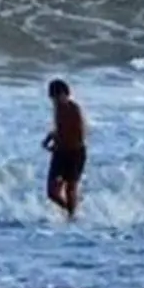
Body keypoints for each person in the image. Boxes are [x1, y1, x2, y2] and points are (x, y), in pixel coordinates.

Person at [42, 78, 88, 219]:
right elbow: (58, 129)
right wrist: (48, 140)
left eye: (57, 97)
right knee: (52, 192)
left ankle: (71, 217)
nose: (55, 101)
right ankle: (70, 211)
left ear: (65, 94)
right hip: (60, 152)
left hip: (75, 152)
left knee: (70, 189)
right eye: (53, 98)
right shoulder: (57, 109)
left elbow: (81, 134)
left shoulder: (74, 109)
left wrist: (61, 144)